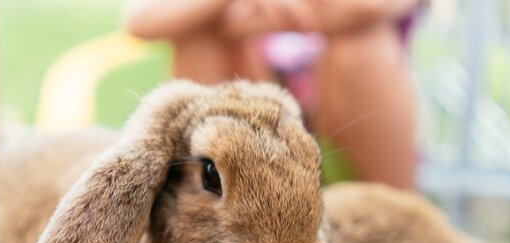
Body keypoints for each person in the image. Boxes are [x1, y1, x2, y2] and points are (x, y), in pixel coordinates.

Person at [124, 0, 424, 189]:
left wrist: (248, 14)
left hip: (346, 116)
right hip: (258, 110)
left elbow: (367, 7)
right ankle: (207, 204)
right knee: (201, 38)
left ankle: (402, 222)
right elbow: (143, 19)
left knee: (360, 45)